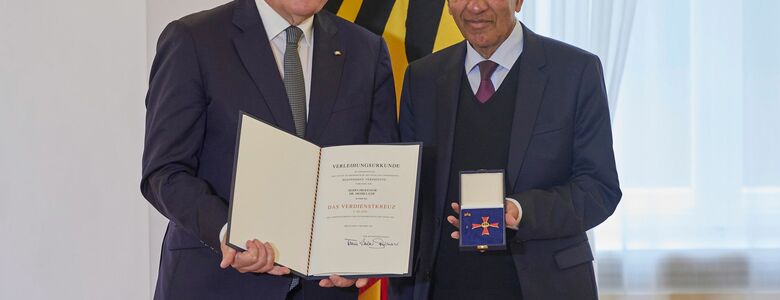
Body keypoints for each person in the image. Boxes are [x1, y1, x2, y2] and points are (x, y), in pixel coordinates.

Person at [140, 0, 398, 298]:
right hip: (215, 282)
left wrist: (366, 252)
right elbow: (165, 171)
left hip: (325, 289)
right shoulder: (194, 39)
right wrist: (227, 233)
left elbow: (380, 166)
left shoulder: (366, 49)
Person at [388, 0, 621, 299]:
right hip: (439, 286)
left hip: (544, 286)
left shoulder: (575, 71)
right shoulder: (421, 78)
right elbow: (404, 191)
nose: (475, 7)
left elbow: (599, 190)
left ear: (519, 1)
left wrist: (520, 210)